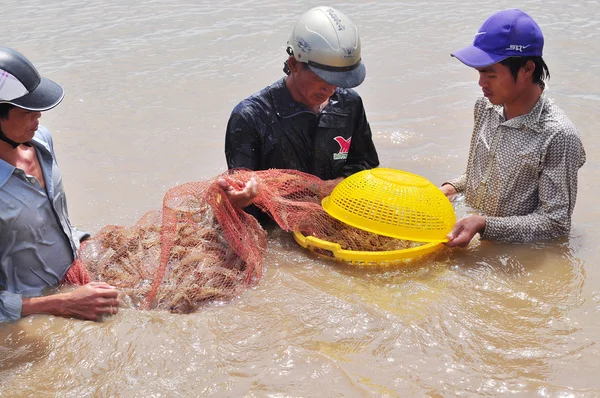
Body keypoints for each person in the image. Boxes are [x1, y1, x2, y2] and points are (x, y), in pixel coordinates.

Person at [441, 9, 586, 247]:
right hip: (470, 232)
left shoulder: (558, 135)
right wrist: (450, 188)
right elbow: (479, 175)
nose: (481, 84)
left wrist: (485, 225)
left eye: (490, 74)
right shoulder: (485, 107)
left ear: (527, 69)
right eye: (479, 73)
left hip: (514, 255)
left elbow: (556, 224)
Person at [0, 46, 119, 323]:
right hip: (31, 314)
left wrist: (84, 240)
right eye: (27, 110)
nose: (38, 117)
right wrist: (62, 304)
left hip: (79, 284)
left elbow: (51, 219)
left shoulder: (42, 141)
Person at [221, 6, 379, 210]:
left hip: (331, 211)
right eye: (322, 78)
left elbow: (365, 163)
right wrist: (239, 200)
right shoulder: (250, 117)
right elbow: (240, 191)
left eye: (338, 81)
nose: (330, 90)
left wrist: (330, 188)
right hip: (278, 220)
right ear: (294, 64)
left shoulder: (349, 104)